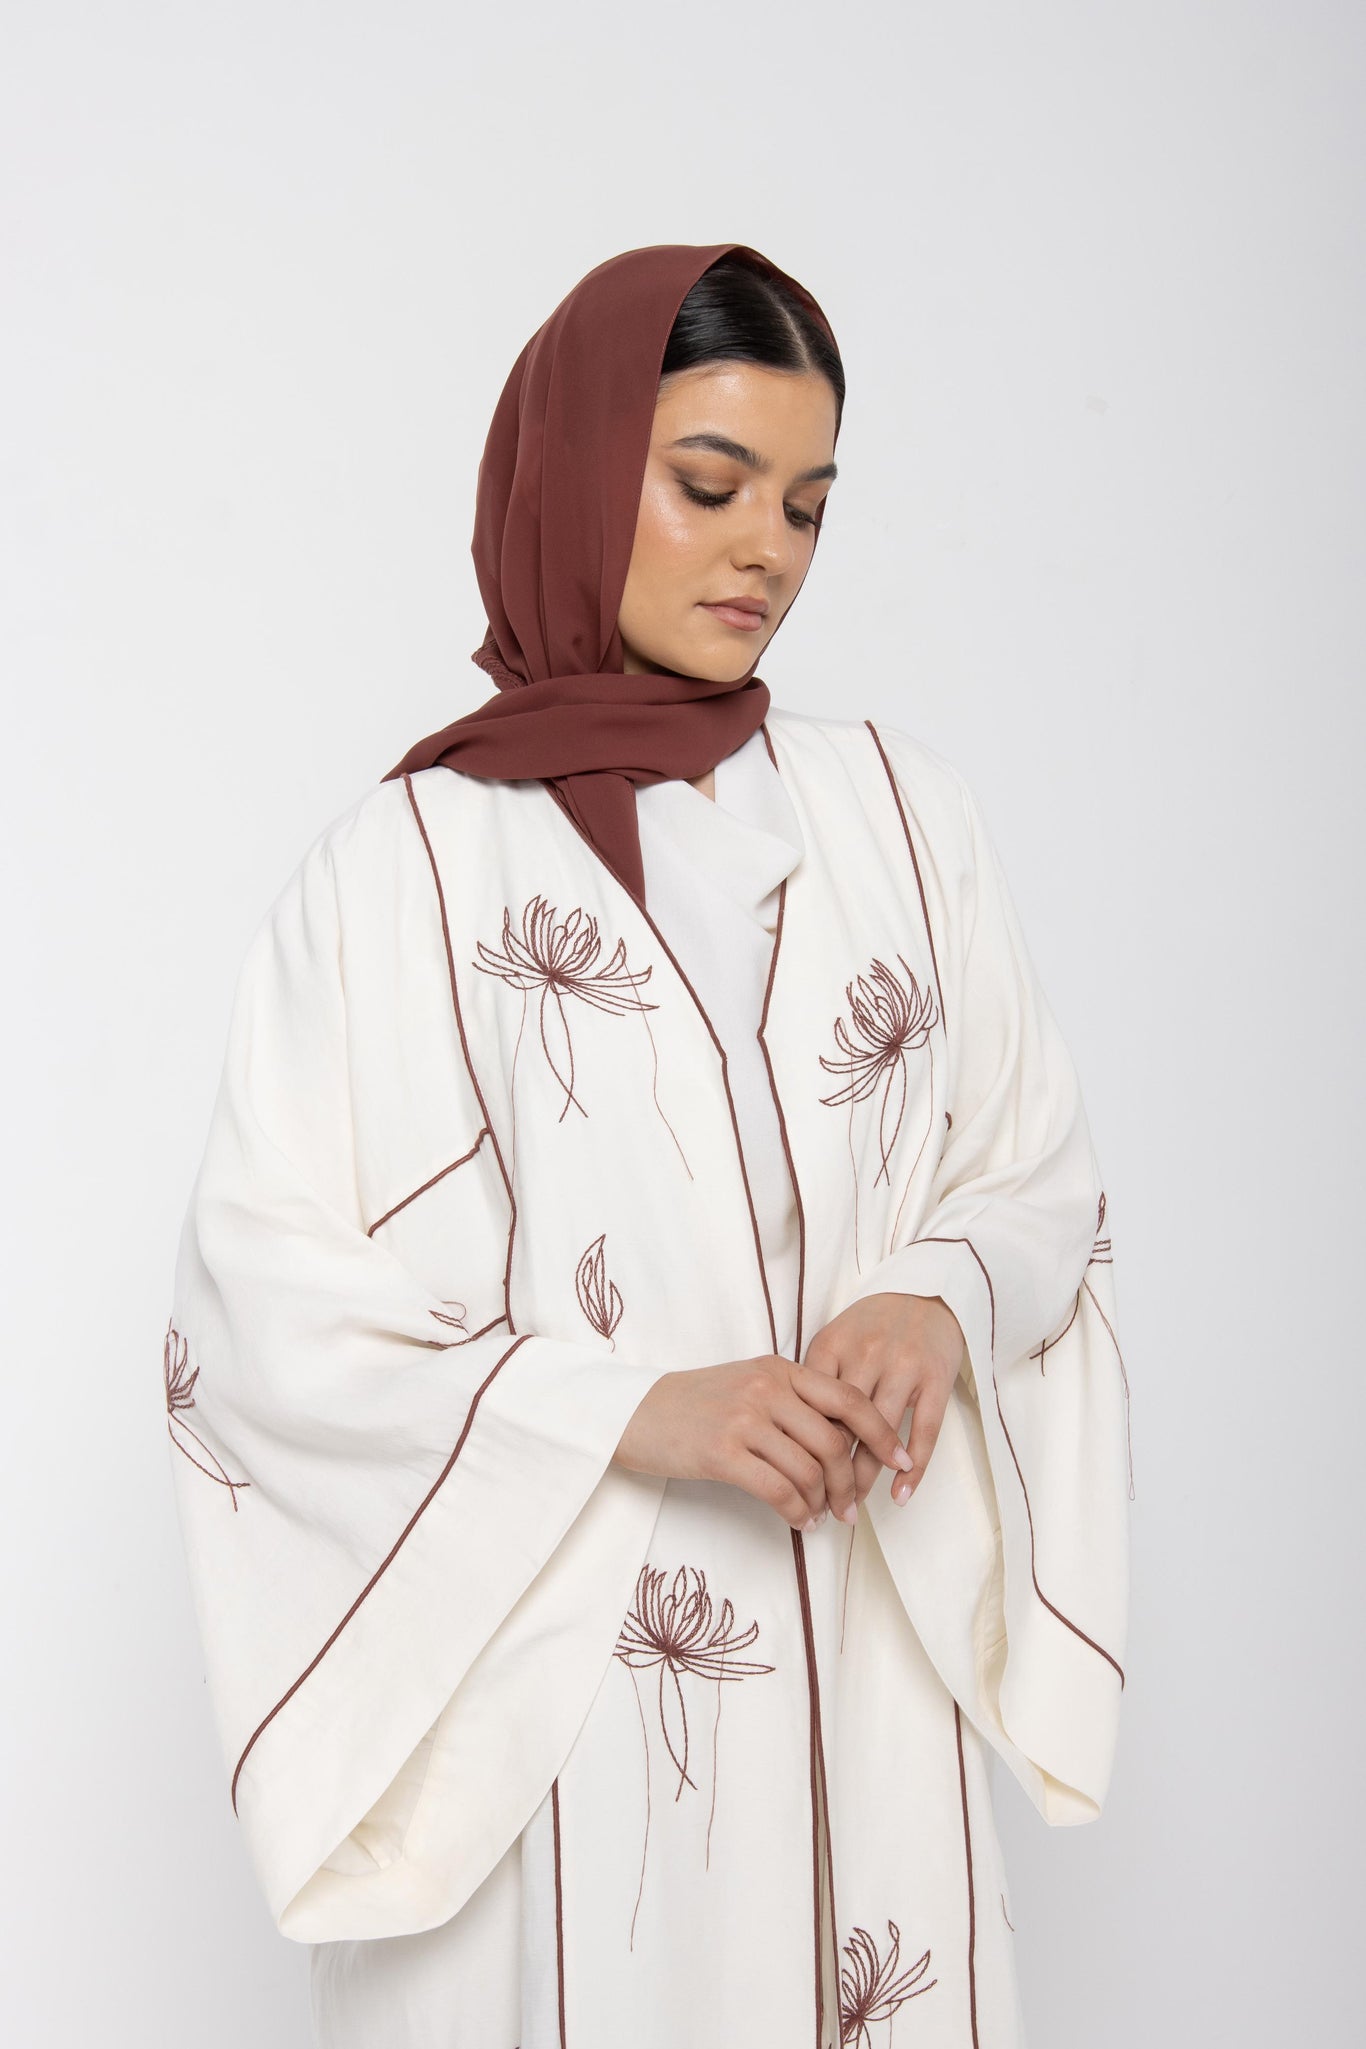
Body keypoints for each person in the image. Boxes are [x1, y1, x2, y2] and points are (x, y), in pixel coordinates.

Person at [164, 241, 1133, 2049]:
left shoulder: (902, 820)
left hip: (866, 1664)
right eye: (708, 483)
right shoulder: (399, 876)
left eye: (807, 505)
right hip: (556, 1717)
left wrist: (932, 1298)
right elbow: (260, 1317)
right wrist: (627, 1411)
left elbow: (1034, 1173)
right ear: (578, 464)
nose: (766, 549)